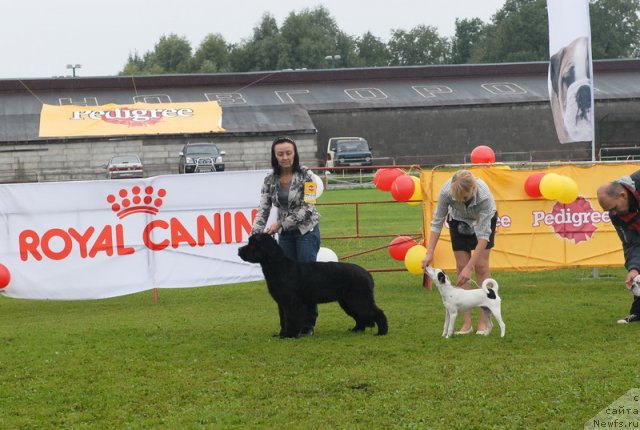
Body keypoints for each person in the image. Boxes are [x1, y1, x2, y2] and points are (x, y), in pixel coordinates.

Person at [251, 136, 321, 336]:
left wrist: (281, 224)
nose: (285, 157)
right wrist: (255, 235)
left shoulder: (307, 176)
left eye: (288, 153)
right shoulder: (269, 179)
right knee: (286, 283)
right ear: (274, 156)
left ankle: (308, 324)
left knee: (306, 280)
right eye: (280, 154)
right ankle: (291, 325)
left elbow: (309, 207)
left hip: (306, 231)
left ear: (295, 153)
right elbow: (263, 209)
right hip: (285, 236)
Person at [421, 169, 498, 335]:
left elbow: (484, 236)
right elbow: (437, 222)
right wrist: (429, 253)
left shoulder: (484, 196)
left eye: (464, 198)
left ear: (473, 189)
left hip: (482, 223)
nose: (461, 201)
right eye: (457, 199)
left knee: (481, 267)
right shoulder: (446, 191)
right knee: (461, 266)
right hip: (458, 221)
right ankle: (466, 323)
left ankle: (483, 323)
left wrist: (470, 268)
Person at [597, 171, 640, 324]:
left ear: (622, 195)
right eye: (609, 210)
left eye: (614, 208)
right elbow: (631, 242)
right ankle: (638, 313)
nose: (613, 213)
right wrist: (634, 268)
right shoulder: (616, 215)